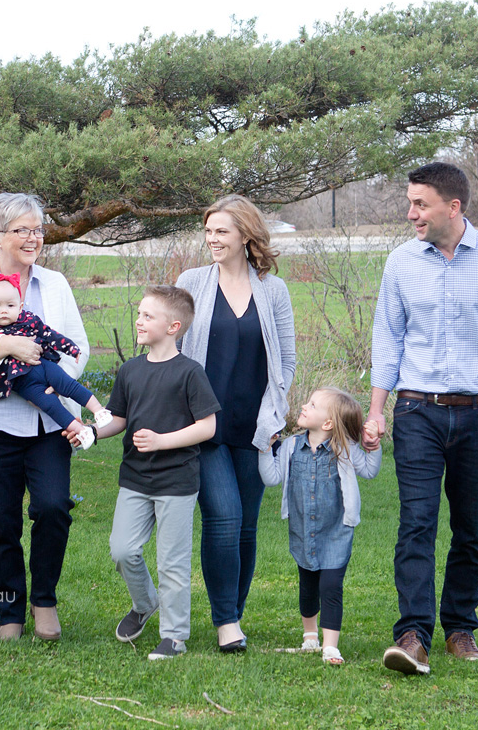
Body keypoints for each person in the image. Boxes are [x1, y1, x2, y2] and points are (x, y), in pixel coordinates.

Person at [367, 162, 478, 676]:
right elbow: (387, 340)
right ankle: (413, 634)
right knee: (416, 523)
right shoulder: (400, 263)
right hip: (417, 410)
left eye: (421, 203)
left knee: (471, 527)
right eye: (410, 202)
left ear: (452, 207)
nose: (411, 212)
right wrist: (375, 412)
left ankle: (460, 627)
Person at [0, 192, 88, 641]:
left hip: (50, 422)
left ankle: (43, 600)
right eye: (22, 230)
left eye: (38, 230)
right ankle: (10, 612)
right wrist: (6, 346)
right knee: (0, 520)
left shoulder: (55, 285)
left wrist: (52, 383)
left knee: (52, 508)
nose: (33, 238)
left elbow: (77, 346)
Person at [176, 195, 296, 652]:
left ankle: (235, 614)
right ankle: (226, 621)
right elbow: (173, 348)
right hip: (204, 425)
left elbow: (286, 360)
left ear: (246, 235)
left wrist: (276, 414)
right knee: (223, 517)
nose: (212, 239)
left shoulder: (273, 290)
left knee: (247, 525)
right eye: (208, 231)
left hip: (256, 426)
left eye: (221, 232)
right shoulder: (192, 282)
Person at [94, 286, 219, 661]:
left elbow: (207, 426)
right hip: (135, 478)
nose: (139, 320)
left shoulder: (190, 373)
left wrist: (163, 441)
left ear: (173, 326)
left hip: (176, 482)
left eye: (148, 316)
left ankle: (175, 636)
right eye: (139, 314)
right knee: (123, 549)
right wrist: (89, 432)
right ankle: (145, 602)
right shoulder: (131, 370)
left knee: (173, 562)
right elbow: (117, 419)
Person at [259, 387, 381, 665]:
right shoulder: (290, 446)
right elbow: (271, 478)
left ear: (327, 424)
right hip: (303, 529)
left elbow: (370, 471)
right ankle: (310, 638)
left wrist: (372, 445)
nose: (304, 406)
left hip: (337, 531)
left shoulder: (345, 450)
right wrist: (266, 448)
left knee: (330, 585)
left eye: (312, 405)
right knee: (308, 584)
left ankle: (330, 647)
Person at [0, 273, 111, 449]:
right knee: (50, 405)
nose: (4, 310)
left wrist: (71, 348)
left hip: (43, 366)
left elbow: (50, 335)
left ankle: (99, 410)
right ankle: (82, 430)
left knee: (67, 384)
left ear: (20, 307)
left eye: (10, 305)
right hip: (21, 383)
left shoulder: (28, 319)